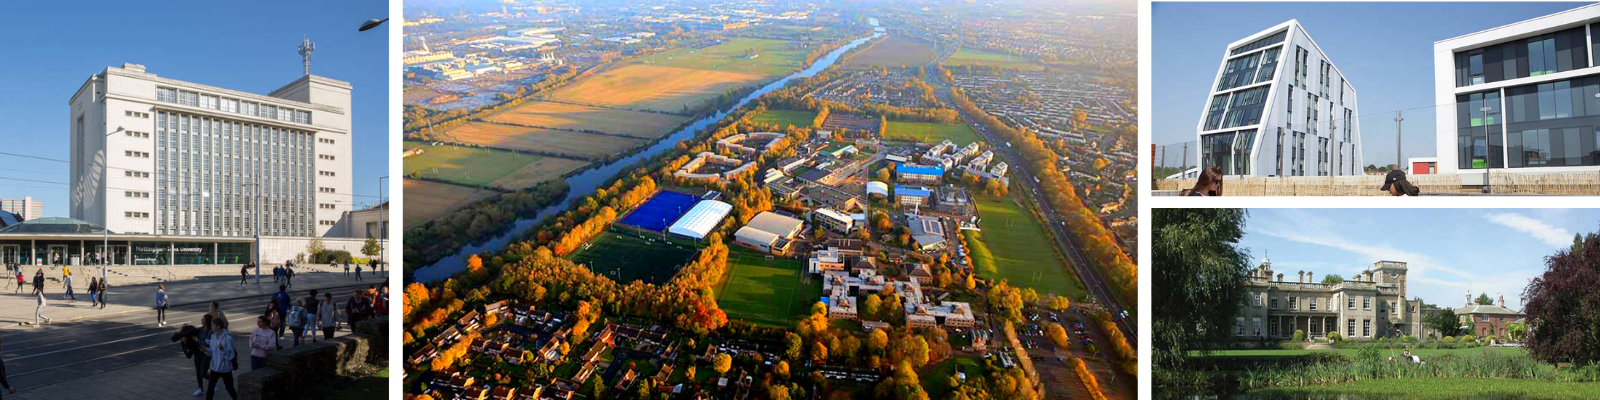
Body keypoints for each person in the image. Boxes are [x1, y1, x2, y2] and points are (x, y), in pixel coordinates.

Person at [170, 315, 212, 397]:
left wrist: (183, 335)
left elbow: (206, 342)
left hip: (205, 352)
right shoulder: (198, 330)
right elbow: (188, 355)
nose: (201, 319)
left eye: (203, 319)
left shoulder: (204, 331)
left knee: (203, 372)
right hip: (197, 353)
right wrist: (184, 343)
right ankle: (201, 388)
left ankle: (214, 380)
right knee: (198, 372)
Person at [202, 315, 238, 400]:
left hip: (225, 369)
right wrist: (206, 350)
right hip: (214, 368)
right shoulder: (213, 337)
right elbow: (212, 351)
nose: (211, 327)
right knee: (210, 389)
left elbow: (231, 355)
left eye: (213, 325)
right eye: (211, 325)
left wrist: (222, 349)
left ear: (218, 326)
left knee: (229, 388)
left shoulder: (228, 339)